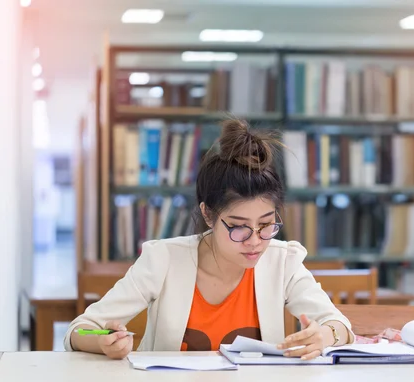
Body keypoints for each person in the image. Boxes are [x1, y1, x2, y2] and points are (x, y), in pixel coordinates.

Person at [64, 119, 354, 360]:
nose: (255, 241)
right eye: (239, 227)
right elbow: (80, 330)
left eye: (266, 225)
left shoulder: (283, 262)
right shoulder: (163, 260)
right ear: (208, 214)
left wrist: (326, 335)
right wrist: (102, 344)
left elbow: (340, 325)